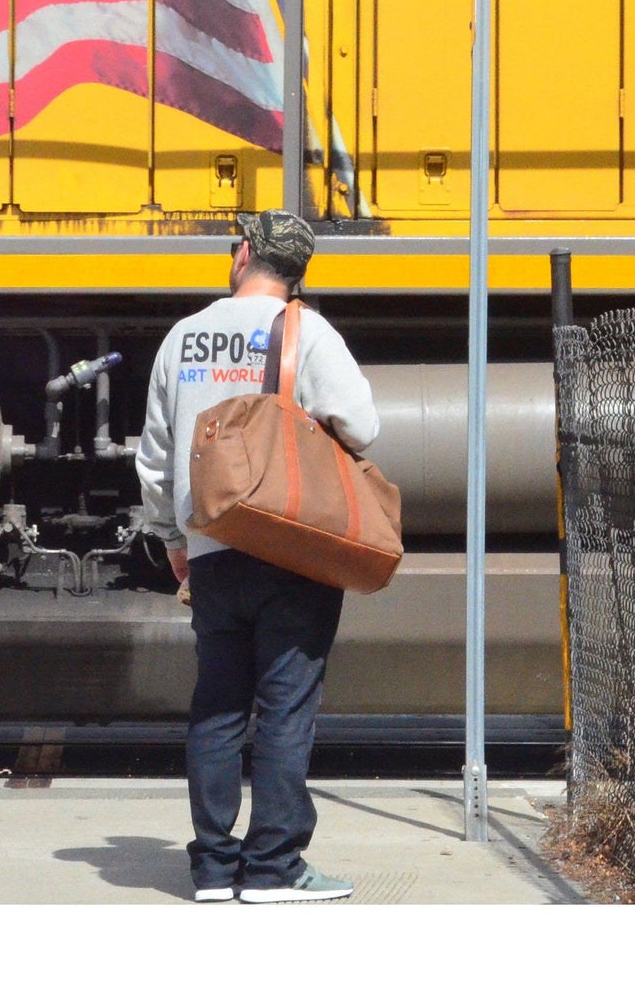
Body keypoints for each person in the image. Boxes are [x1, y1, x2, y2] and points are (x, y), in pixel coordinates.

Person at [136, 209, 381, 904]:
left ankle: (213, 867)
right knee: (285, 706)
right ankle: (273, 867)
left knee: (217, 703)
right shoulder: (306, 332)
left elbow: (154, 457)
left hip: (212, 547)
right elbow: (362, 425)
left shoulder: (183, 337)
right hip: (291, 547)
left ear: (244, 255)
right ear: (295, 270)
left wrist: (176, 542)